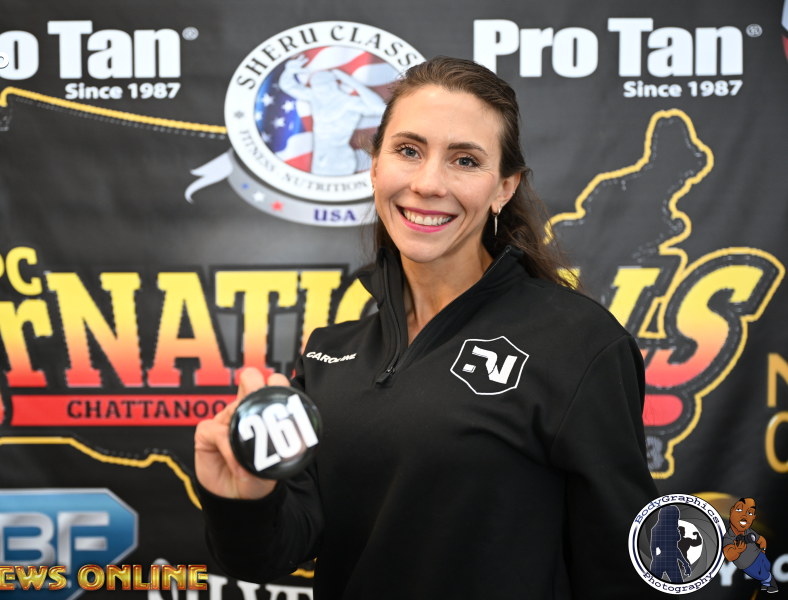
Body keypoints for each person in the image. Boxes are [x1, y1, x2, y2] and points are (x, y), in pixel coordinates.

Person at [194, 56, 659, 598]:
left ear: (504, 188)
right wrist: (243, 497)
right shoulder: (330, 354)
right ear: (375, 166)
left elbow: (625, 571)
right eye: (409, 151)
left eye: (465, 160)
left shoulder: (578, 343)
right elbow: (271, 552)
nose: (428, 183)